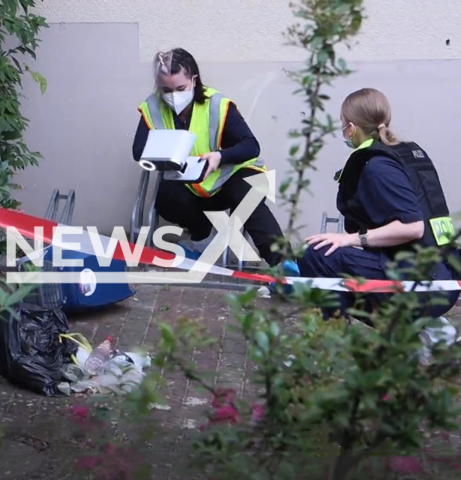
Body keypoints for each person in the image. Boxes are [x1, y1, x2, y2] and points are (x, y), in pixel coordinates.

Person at [298, 87, 460, 354]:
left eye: (343, 125)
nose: (343, 131)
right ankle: (420, 329)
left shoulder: (377, 167)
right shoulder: (405, 153)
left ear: (350, 128)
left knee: (316, 256)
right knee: (336, 262)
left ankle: (326, 348)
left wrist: (348, 239)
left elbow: (412, 226)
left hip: (421, 284)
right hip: (442, 277)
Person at [131, 47, 299, 279]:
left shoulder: (217, 104)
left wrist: (219, 156)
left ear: (194, 80)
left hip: (227, 178)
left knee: (248, 196)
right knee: (165, 196)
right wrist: (165, 151)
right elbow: (138, 151)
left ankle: (284, 265)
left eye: (180, 88)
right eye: (166, 90)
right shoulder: (152, 107)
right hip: (189, 186)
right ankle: (201, 236)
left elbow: (251, 146)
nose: (173, 96)